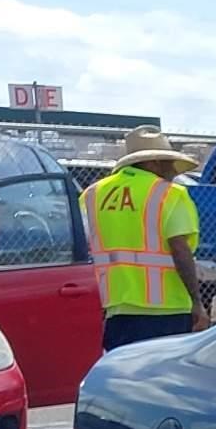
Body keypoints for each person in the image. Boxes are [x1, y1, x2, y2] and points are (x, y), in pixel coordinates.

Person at [84, 126, 206, 349]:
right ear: (152, 163)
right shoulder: (170, 193)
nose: (172, 170)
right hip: (167, 307)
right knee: (163, 376)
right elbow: (180, 249)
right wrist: (197, 302)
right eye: (168, 163)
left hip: (116, 306)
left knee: (124, 373)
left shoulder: (93, 193)